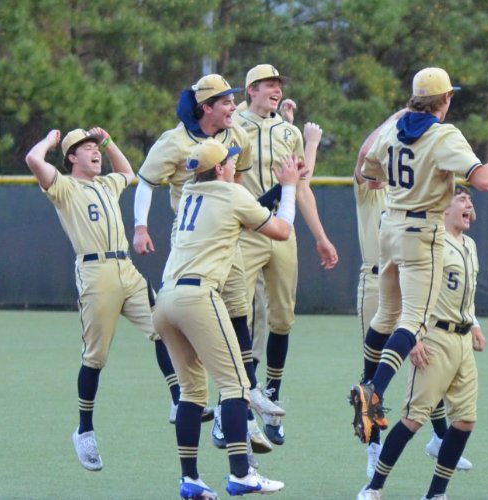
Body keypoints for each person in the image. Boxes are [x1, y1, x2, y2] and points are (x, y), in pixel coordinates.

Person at [349, 65, 488, 449]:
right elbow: (483, 180)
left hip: (389, 227)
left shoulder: (393, 130)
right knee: (413, 320)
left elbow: (368, 168)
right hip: (420, 233)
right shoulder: (443, 134)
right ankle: (373, 392)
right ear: (444, 100)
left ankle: (367, 381)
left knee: (385, 315)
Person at [132, 73, 284, 453]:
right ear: (206, 108)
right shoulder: (175, 141)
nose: (234, 108)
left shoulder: (237, 137)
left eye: (235, 101)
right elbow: (147, 182)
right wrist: (139, 226)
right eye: (226, 102)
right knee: (199, 319)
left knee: (239, 313)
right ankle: (218, 399)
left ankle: (240, 398)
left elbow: (240, 184)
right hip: (192, 239)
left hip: (229, 233)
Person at [25, 128, 185, 471]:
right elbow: (33, 160)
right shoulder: (64, 186)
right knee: (95, 357)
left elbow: (128, 174)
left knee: (166, 326)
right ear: (71, 158)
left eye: (95, 148)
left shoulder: (106, 183)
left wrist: (110, 141)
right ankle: (84, 430)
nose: (94, 152)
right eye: (86, 149)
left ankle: (178, 399)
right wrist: (52, 141)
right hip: (95, 272)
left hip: (126, 267)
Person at [158, 140, 299, 498]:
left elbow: (244, 212)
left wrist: (277, 189)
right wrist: (291, 187)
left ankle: (189, 479)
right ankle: (242, 473)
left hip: (165, 299)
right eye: (230, 161)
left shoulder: (190, 192)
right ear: (220, 170)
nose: (234, 164)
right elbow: (281, 231)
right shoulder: (230, 194)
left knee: (191, 391)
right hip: (198, 296)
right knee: (236, 386)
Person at [351, 111, 476, 476]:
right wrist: (399, 116)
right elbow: (364, 159)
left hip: (406, 271)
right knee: (401, 341)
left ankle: (435, 434)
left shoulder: (405, 185)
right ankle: (373, 439)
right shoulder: (372, 188)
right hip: (380, 277)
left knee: (421, 361)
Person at [234, 64, 340, 446]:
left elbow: (303, 187)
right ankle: (242, 397)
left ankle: (272, 394)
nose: (276, 89)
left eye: (279, 84)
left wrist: (321, 237)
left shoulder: (289, 132)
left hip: (282, 231)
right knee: (240, 314)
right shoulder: (234, 127)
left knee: (282, 318)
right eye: (268, 84)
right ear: (251, 90)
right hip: (245, 231)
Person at [357, 188, 488, 500]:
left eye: (470, 198)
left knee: (466, 420)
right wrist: (411, 336)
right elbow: (407, 290)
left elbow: (464, 293)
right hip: (433, 340)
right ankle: (373, 487)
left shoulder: (469, 245)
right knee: (412, 420)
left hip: (462, 341)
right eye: (461, 198)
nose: (469, 203)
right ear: (443, 207)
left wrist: (475, 324)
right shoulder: (433, 245)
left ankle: (435, 494)